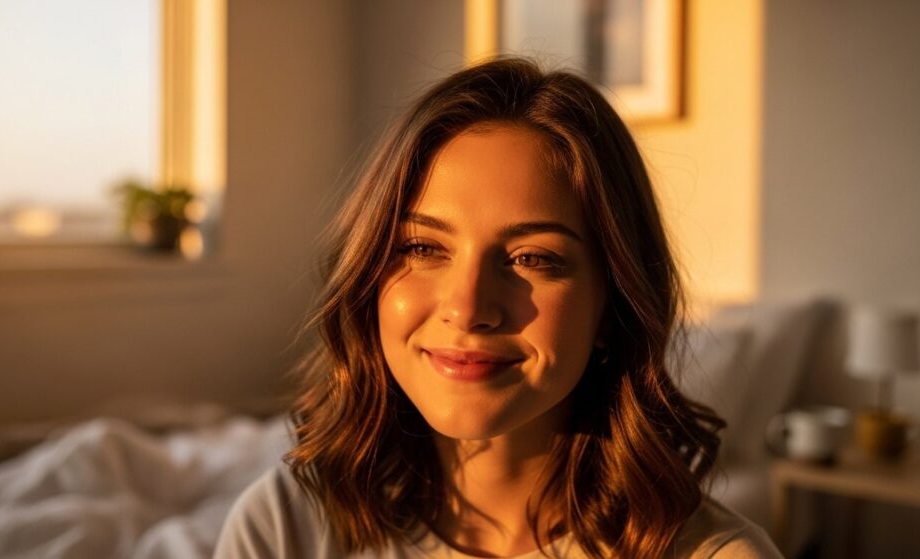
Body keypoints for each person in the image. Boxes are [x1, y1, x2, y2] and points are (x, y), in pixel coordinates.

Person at [214, 58, 782, 559]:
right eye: (421, 247)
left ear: (614, 306)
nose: (467, 309)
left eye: (532, 258)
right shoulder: (286, 526)